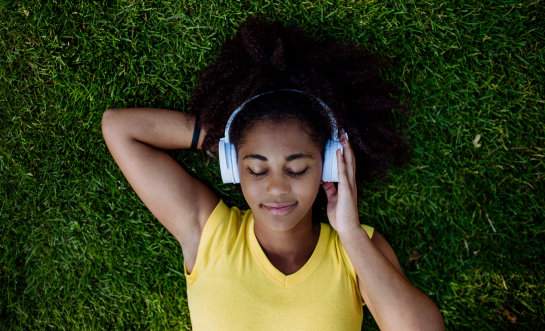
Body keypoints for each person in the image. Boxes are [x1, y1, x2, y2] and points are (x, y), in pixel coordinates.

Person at [102, 18, 445, 331]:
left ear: (328, 163)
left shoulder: (355, 250)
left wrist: (351, 233)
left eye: (296, 169)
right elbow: (119, 127)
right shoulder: (211, 236)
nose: (276, 187)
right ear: (234, 167)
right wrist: (225, 138)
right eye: (256, 168)